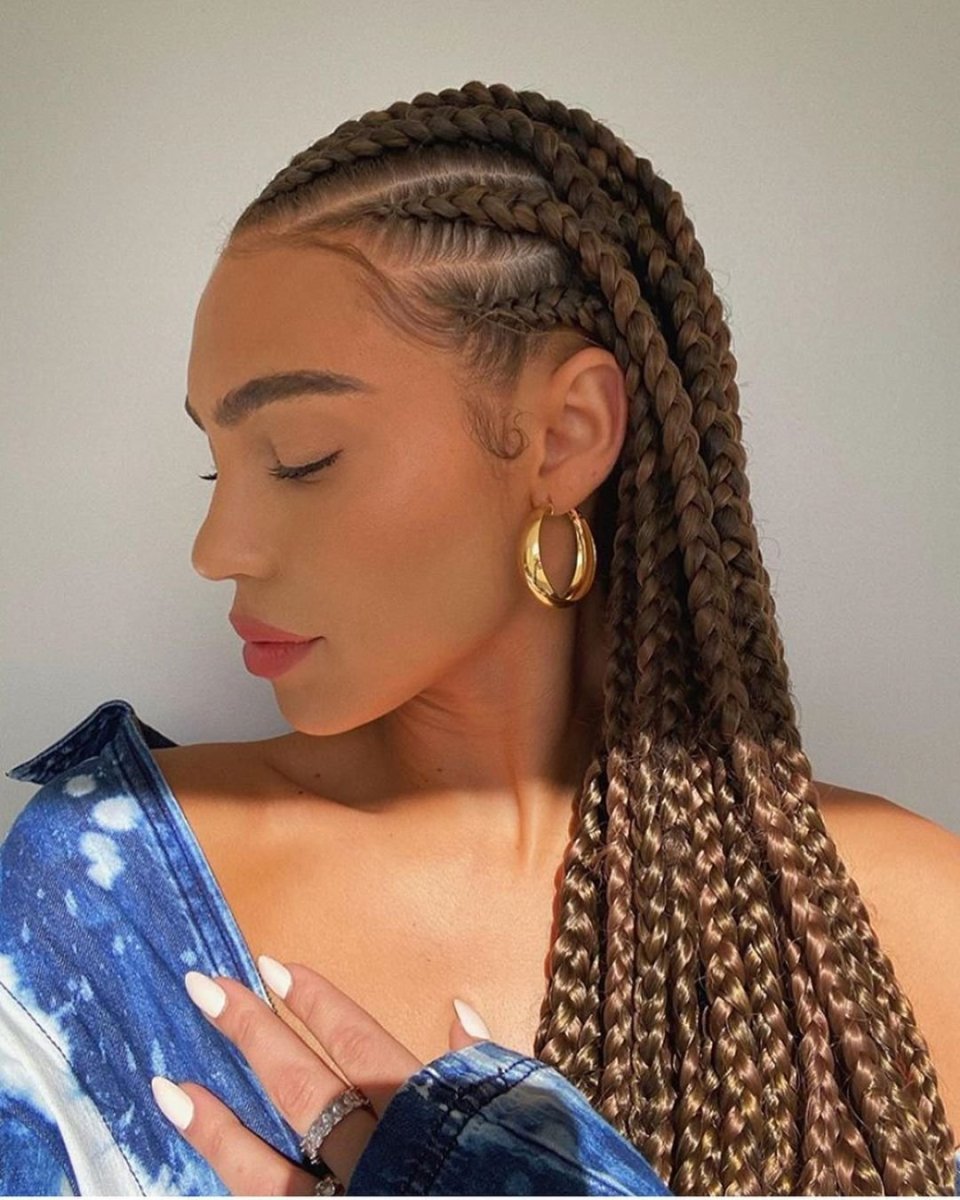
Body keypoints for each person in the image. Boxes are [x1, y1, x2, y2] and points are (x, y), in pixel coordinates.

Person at [1, 78, 958, 1196]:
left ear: (565, 437)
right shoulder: (98, 895)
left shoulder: (899, 933)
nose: (217, 549)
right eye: (218, 468)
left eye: (302, 458)